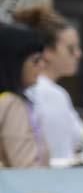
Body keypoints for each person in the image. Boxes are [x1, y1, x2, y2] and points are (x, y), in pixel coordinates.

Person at [12, 5, 83, 165]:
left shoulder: (49, 92)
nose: (79, 54)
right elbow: (63, 149)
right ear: (47, 51)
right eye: (71, 49)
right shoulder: (51, 94)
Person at [0, 22, 47, 168]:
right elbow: (27, 169)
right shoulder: (12, 105)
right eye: (35, 60)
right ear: (14, 63)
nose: (42, 66)